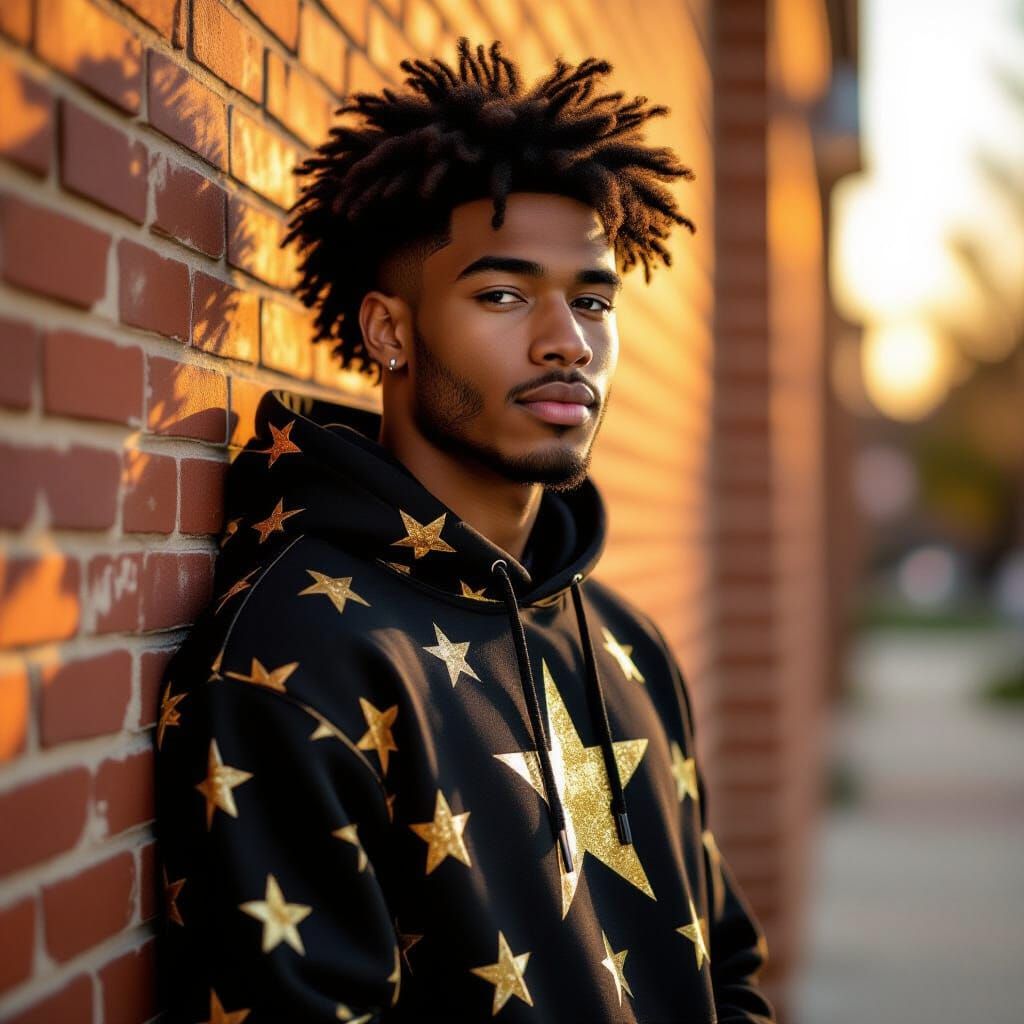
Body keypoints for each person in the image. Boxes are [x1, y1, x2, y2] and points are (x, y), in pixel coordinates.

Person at [154, 38, 776, 1023]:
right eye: (503, 294)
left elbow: (724, 967)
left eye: (591, 300)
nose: (567, 342)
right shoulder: (297, 653)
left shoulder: (627, 642)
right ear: (390, 331)